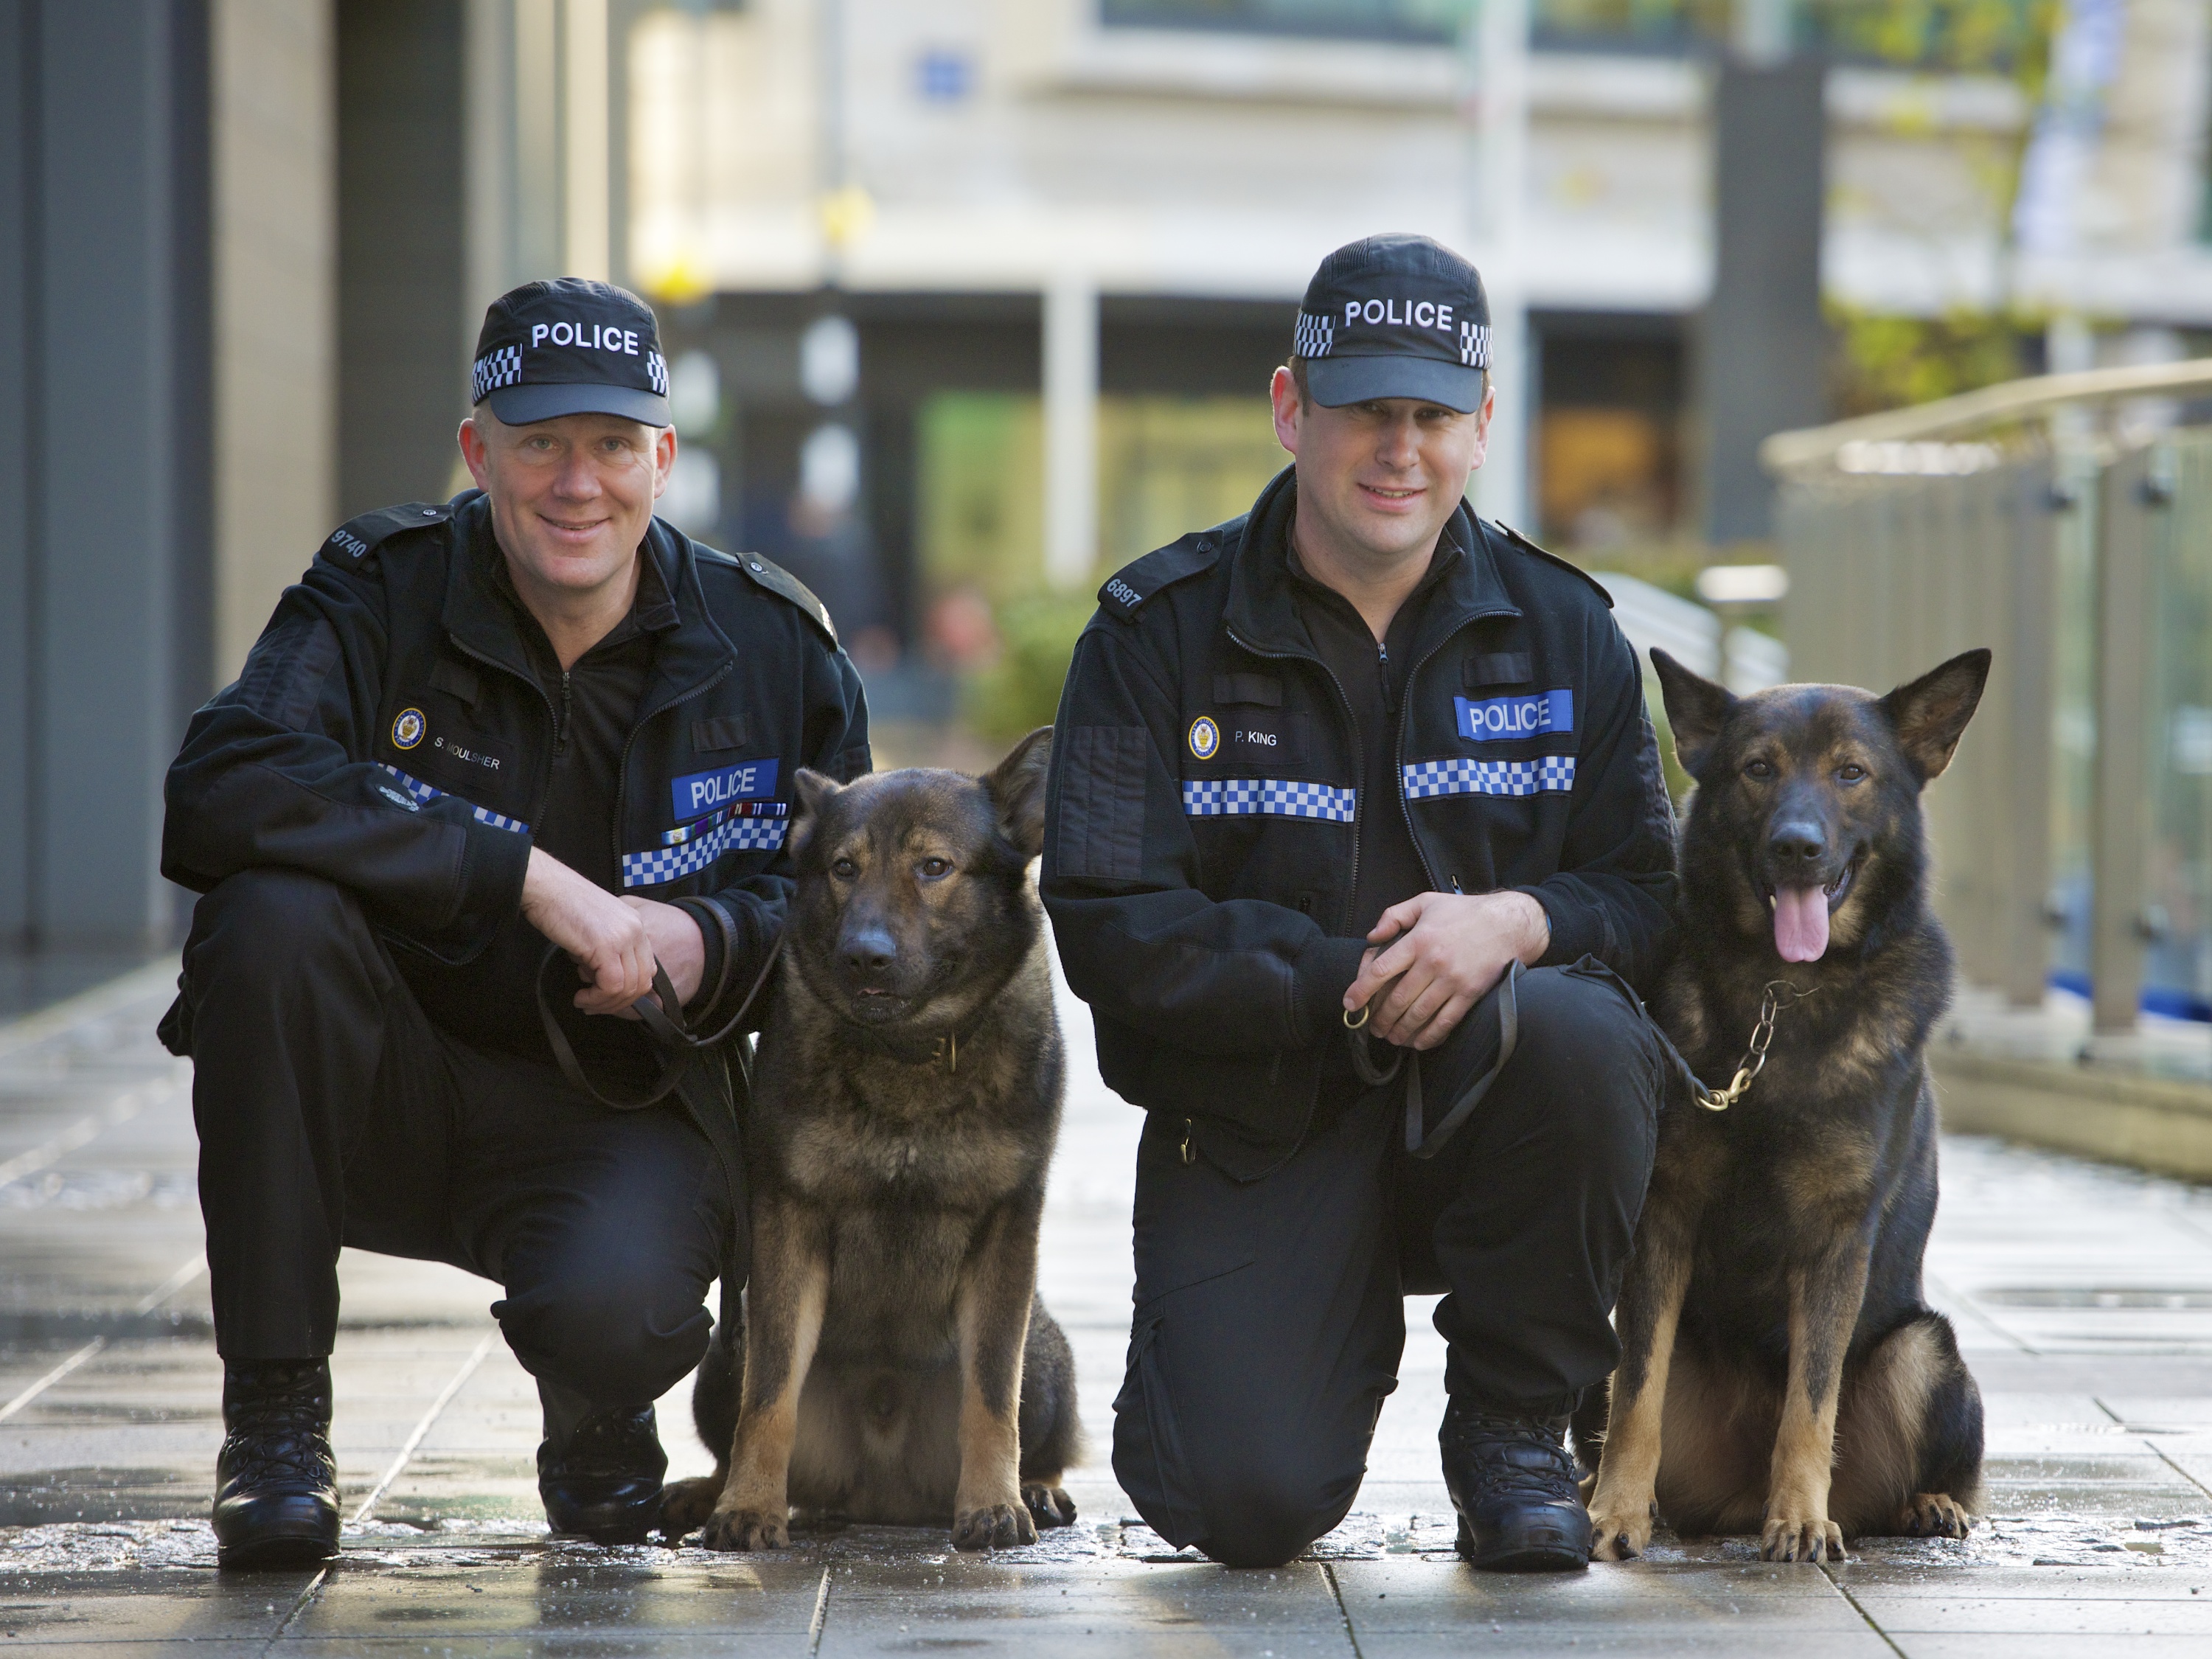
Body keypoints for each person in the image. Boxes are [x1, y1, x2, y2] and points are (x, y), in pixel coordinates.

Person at [159, 279, 869, 1568]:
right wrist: (524, 875)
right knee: (267, 920)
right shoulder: (380, 591)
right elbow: (219, 784)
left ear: (664, 454)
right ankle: (274, 1418)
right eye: (539, 441)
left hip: (617, 1104)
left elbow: (849, 914)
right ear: (478, 449)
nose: (576, 482)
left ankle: (599, 1408)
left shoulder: (776, 649)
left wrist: (713, 939)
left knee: (620, 1314)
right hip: (381, 1082)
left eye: (610, 443)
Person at [1040, 234, 1676, 1573]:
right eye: (1365, 412)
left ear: (1483, 424)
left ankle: (1515, 1418)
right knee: (1242, 1504)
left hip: (1503, 1107)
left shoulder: (1570, 635)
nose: (1401, 450)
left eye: (1434, 416)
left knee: (1582, 1031)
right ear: (1291, 409)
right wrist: (1353, 980)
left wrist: (1507, 924)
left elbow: (1646, 898)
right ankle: (1258, 1362)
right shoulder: (1151, 634)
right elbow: (1105, 916)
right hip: (1262, 1117)